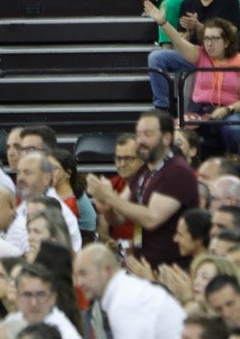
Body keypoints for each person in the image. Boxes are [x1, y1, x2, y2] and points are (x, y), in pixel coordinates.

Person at [84, 112, 200, 268]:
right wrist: (107, 208)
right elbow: (118, 218)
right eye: (138, 134)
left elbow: (152, 218)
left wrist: (111, 198)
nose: (140, 140)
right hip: (144, 264)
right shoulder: (144, 170)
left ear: (166, 138)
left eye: (148, 134)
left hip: (172, 268)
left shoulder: (177, 171)